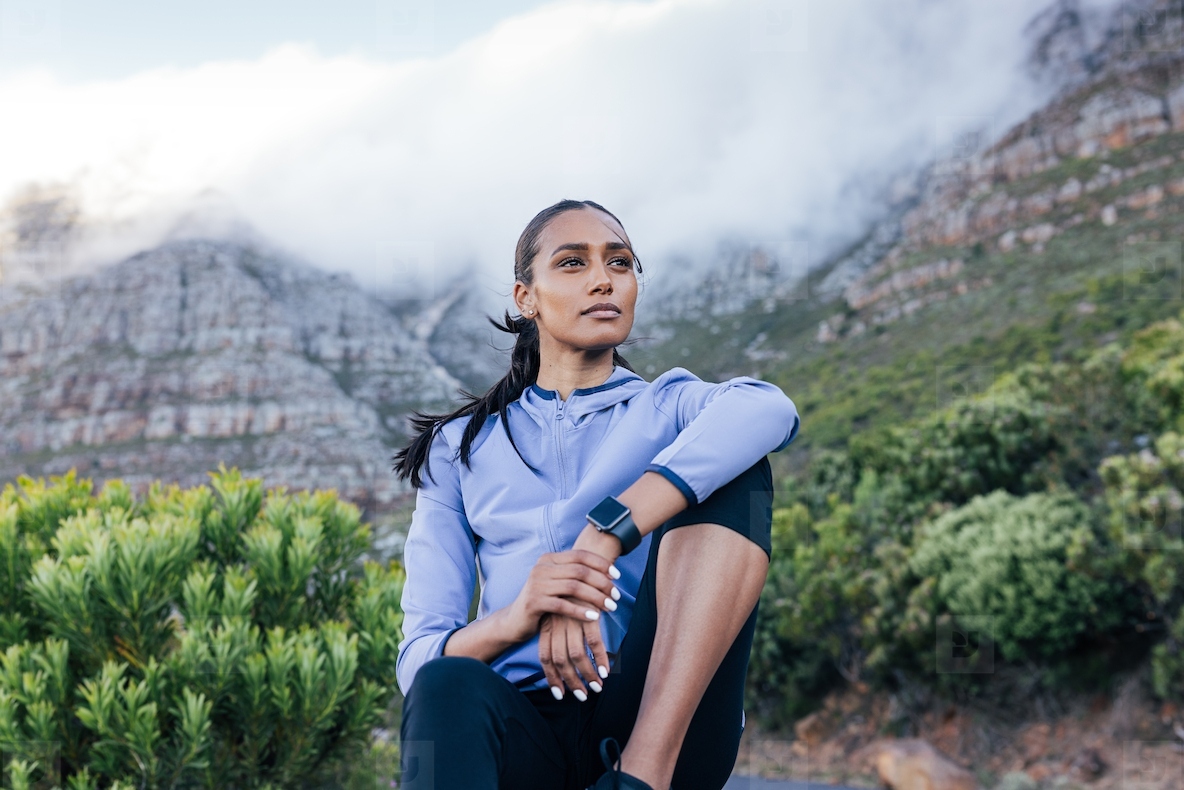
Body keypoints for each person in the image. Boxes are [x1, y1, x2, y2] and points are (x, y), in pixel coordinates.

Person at [391, 199, 800, 790]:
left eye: (621, 262)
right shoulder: (460, 449)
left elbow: (769, 408)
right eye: (572, 263)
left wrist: (605, 534)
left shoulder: (671, 406)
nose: (604, 278)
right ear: (525, 297)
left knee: (734, 466)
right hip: (522, 726)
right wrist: (521, 615)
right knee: (444, 682)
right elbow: (416, 662)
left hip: (660, 719)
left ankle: (640, 778)